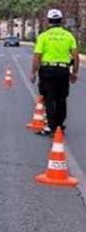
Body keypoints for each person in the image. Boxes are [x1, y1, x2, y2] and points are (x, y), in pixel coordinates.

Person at [30, 8, 79, 136]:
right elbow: (75, 56)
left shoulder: (43, 36)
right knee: (61, 99)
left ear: (48, 20)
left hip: (47, 71)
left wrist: (33, 72)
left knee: (48, 99)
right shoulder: (68, 36)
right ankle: (59, 126)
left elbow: (37, 56)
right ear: (61, 20)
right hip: (63, 71)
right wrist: (74, 72)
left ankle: (51, 127)